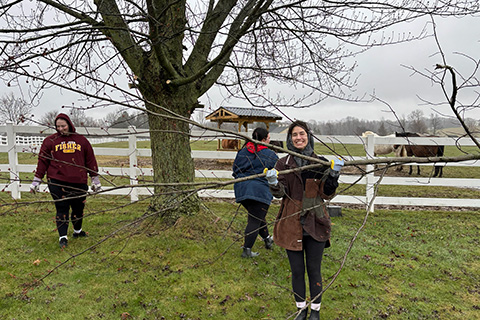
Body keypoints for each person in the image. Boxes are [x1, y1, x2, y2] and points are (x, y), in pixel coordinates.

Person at [265, 120, 344, 320]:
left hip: (315, 222)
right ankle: (301, 309)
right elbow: (279, 194)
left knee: (313, 269)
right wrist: (274, 182)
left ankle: (315, 310)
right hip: (291, 223)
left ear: (308, 136)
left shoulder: (320, 163)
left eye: (302, 134)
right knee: (297, 270)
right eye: (294, 135)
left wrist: (333, 176)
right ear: (289, 139)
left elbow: (326, 194)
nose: (298, 138)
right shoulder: (283, 164)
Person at [30, 113, 101, 249]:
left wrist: (95, 179)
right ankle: (63, 237)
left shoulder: (81, 141)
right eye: (58, 126)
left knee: (78, 207)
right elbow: (43, 161)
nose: (61, 129)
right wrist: (36, 180)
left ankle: (77, 231)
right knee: (62, 208)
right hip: (57, 180)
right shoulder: (50, 141)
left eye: (63, 126)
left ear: (69, 124)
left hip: (78, 180)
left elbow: (90, 159)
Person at [232, 127, 279, 258]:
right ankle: (247, 250)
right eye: (269, 138)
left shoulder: (242, 152)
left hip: (241, 189)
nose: (269, 141)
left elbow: (234, 169)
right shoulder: (270, 155)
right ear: (264, 140)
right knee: (255, 219)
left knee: (258, 216)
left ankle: (267, 239)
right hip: (260, 191)